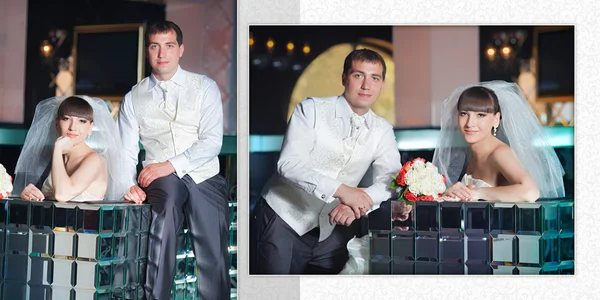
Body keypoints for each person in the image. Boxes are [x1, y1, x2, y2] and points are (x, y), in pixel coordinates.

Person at [251, 48, 401, 274]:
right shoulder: (310, 110)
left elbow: (392, 179)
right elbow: (288, 164)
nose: (366, 85)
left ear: (382, 84)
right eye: (358, 75)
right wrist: (342, 191)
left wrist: (360, 202)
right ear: (344, 78)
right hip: (282, 221)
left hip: (332, 231)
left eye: (375, 78)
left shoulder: (383, 130)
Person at [118, 20, 230, 300]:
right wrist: (128, 184)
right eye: (155, 46)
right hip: (160, 179)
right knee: (163, 215)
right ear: (148, 51)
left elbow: (211, 142)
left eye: (168, 46)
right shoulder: (133, 97)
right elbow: (125, 151)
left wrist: (170, 164)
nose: (162, 53)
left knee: (214, 253)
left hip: (203, 173)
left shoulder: (205, 86)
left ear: (181, 49)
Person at [433, 81, 565, 202]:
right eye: (464, 113)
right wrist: (450, 194)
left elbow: (531, 192)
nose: (470, 123)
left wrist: (477, 193)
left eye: (481, 115)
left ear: (496, 119)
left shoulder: (500, 153)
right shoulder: (475, 154)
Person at [14, 95, 127, 202]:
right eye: (67, 119)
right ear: (57, 124)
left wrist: (58, 148)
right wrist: (31, 194)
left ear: (90, 128)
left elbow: (62, 195)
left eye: (82, 121)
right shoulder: (59, 159)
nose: (73, 127)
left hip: (85, 223)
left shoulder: (95, 160)